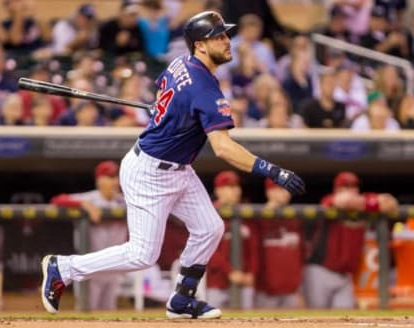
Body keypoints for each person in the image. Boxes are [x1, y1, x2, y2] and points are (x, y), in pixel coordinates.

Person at [41, 11, 305, 320]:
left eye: (225, 34)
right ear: (200, 46)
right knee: (142, 254)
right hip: (150, 172)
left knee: (210, 228)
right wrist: (273, 171)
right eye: (218, 36)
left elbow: (163, 91)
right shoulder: (203, 87)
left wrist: (172, 113)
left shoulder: (181, 64)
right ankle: (64, 267)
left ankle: (182, 299)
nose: (226, 40)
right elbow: (222, 148)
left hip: (178, 168)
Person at [303, 171, 398, 309]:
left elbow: (391, 202)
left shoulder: (364, 204)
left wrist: (369, 203)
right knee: (315, 317)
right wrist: (373, 204)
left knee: (346, 316)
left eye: (354, 186)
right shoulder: (329, 200)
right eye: (346, 186)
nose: (351, 190)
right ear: (337, 189)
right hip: (320, 271)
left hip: (345, 275)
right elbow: (343, 202)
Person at [50, 161, 127, 310]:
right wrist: (83, 205)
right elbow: (57, 200)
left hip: (114, 268)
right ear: (99, 180)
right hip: (91, 270)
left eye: (115, 177)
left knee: (109, 313)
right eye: (109, 177)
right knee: (86, 311)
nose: (115, 181)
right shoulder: (90, 198)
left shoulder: (124, 200)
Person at [206, 170, 257, 309]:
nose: (235, 191)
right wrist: (230, 271)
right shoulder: (209, 212)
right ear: (218, 190)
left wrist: (251, 273)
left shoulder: (245, 213)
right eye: (230, 187)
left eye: (236, 186)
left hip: (243, 281)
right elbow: (207, 250)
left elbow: (253, 248)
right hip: (216, 282)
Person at [250, 178, 303, 308]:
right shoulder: (257, 218)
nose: (285, 193)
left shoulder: (296, 218)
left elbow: (301, 256)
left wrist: (300, 290)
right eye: (280, 189)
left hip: (291, 290)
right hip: (265, 290)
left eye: (287, 189)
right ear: (269, 192)